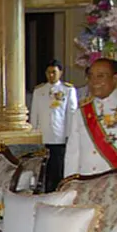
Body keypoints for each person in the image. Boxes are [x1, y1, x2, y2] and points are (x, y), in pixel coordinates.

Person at [65, 57, 117, 177]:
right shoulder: (82, 110)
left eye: (100, 76)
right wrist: (70, 181)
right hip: (87, 179)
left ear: (115, 78)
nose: (94, 82)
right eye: (91, 76)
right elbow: (73, 151)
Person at [29, 59, 77, 191]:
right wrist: (34, 133)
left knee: (58, 166)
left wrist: (70, 134)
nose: (51, 75)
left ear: (60, 73)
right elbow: (34, 113)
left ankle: (57, 189)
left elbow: (71, 114)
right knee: (43, 167)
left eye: (54, 72)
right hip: (43, 135)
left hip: (59, 135)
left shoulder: (68, 90)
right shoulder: (39, 91)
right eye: (49, 72)